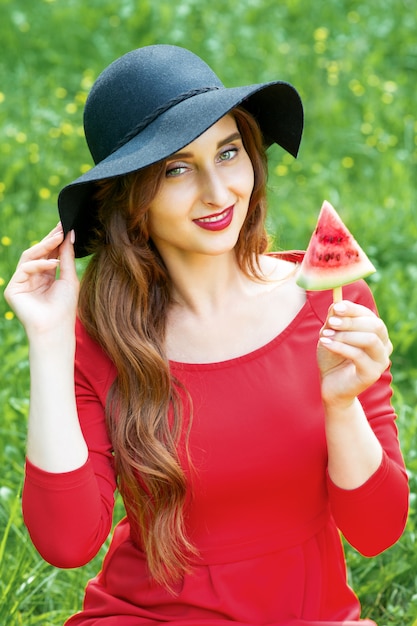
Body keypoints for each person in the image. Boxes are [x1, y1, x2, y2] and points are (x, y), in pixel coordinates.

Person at [4, 44, 408, 626]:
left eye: (228, 152)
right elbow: (67, 545)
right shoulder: (98, 343)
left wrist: (342, 405)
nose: (219, 193)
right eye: (176, 169)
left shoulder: (336, 306)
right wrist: (48, 341)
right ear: (131, 199)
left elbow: (376, 531)